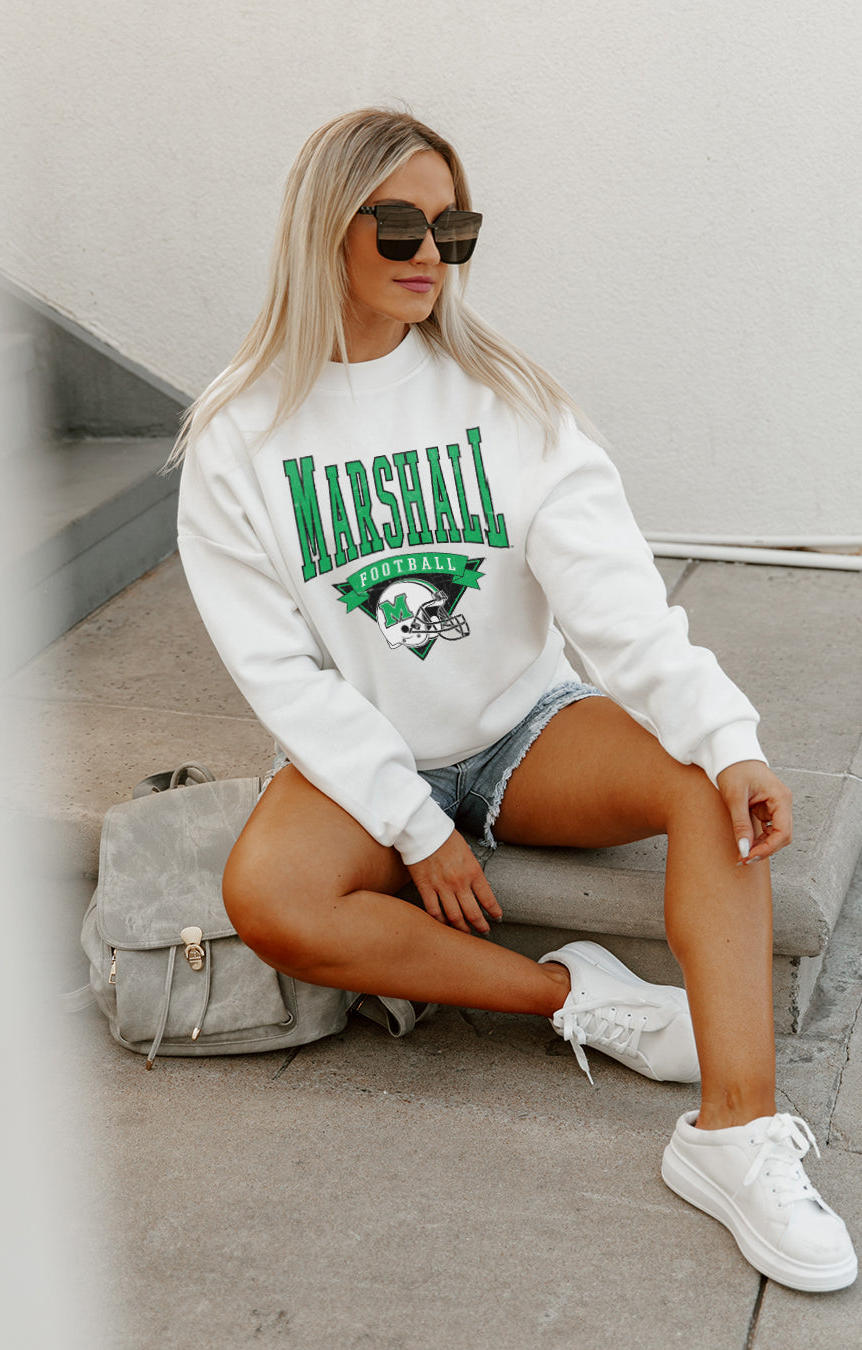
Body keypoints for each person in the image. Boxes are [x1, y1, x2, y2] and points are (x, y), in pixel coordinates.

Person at [174, 108, 856, 1293]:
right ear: (324, 227)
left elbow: (619, 604)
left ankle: (736, 1134)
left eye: (454, 228)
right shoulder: (239, 435)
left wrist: (727, 734)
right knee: (268, 896)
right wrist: (412, 823)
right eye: (399, 224)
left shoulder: (507, 401)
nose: (430, 252)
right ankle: (577, 999)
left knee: (705, 781)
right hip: (368, 749)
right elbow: (279, 672)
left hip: (524, 731)